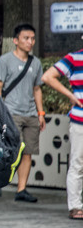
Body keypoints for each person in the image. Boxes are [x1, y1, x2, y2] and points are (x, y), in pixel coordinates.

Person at [0, 24, 44, 202]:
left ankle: (21, 189)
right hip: (11, 113)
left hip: (30, 114)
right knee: (9, 150)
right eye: (26, 38)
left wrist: (41, 112)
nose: (30, 42)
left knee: (27, 152)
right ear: (15, 41)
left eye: (32, 39)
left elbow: (37, 89)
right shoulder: (5, 61)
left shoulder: (35, 63)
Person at [42, 44, 83, 219]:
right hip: (79, 120)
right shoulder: (74, 58)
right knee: (77, 163)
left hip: (79, 119)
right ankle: (75, 207)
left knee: (77, 163)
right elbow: (48, 76)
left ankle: (76, 207)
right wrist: (71, 95)